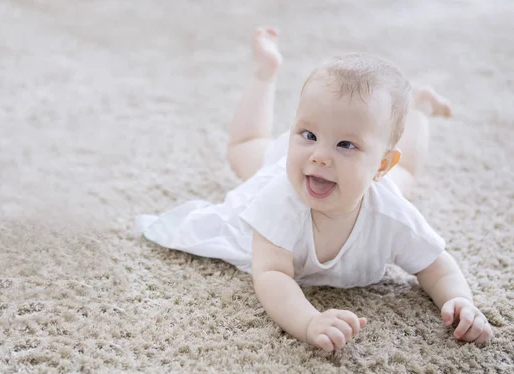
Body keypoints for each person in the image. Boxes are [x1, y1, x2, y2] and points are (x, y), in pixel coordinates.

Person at [136, 27, 493, 352]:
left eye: (346, 145)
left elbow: (436, 266)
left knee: (407, 177)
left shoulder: (389, 213)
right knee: (245, 148)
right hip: (287, 175)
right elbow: (272, 274)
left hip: (371, 189)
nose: (321, 156)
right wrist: (308, 321)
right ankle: (265, 74)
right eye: (308, 134)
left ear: (380, 166)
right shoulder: (278, 200)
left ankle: (421, 110)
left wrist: (459, 299)